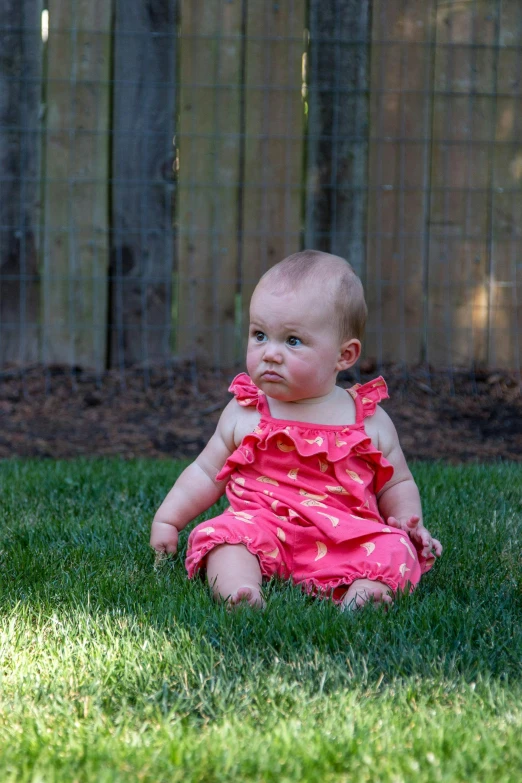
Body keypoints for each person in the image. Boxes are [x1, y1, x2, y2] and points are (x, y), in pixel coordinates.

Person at [150, 250, 442, 610]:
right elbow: (206, 472)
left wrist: (410, 522)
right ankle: (241, 589)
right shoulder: (245, 412)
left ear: (344, 356)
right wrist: (169, 519)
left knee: (395, 548)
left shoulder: (367, 420)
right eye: (260, 335)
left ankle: (363, 597)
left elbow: (397, 482)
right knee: (225, 538)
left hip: (347, 537)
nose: (270, 353)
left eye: (292, 341)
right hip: (262, 527)